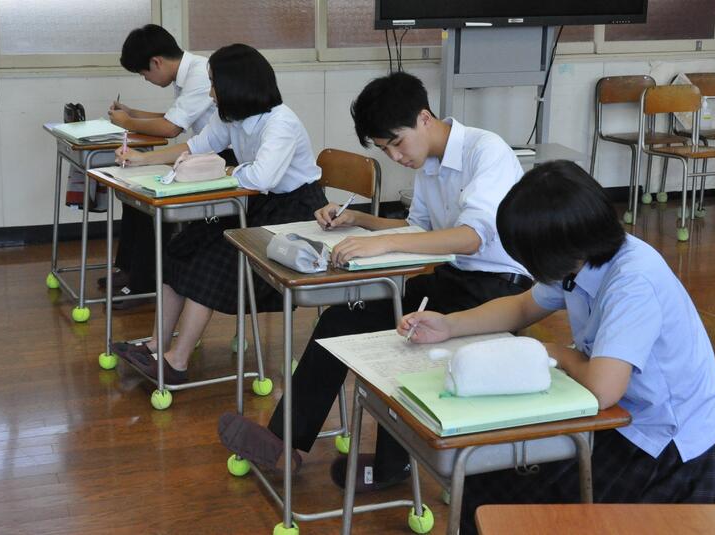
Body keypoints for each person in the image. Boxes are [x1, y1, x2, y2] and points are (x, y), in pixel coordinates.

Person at [217, 71, 533, 491]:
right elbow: (419, 229)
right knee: (343, 318)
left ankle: (392, 465)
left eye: (396, 143)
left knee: (403, 341)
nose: (396, 157)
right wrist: (359, 220)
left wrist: (382, 244)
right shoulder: (429, 162)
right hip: (452, 277)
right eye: (385, 150)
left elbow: (470, 237)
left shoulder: (486, 151)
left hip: (500, 288)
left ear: (425, 118)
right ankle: (284, 442)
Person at [394, 160, 715, 535]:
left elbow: (603, 389)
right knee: (488, 479)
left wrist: (558, 354)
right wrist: (449, 325)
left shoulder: (633, 282)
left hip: (669, 449)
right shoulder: (583, 258)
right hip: (622, 421)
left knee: (519, 498)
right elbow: (522, 307)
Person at [110, 43, 327, 385]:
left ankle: (177, 362)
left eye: (215, 84)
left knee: (212, 261)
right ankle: (156, 345)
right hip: (255, 204)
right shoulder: (231, 116)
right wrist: (141, 159)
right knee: (181, 247)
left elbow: (263, 178)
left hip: (294, 213)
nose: (211, 93)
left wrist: (225, 170)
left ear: (236, 86)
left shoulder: (280, 122)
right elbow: (195, 146)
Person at [101, 24, 217, 307]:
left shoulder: (200, 75)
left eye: (144, 73)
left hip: (218, 159)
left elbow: (170, 128)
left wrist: (128, 122)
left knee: (150, 194)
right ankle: (129, 269)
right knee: (136, 186)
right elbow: (173, 117)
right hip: (203, 152)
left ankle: (143, 282)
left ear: (156, 62)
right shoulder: (186, 73)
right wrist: (132, 113)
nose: (145, 79)